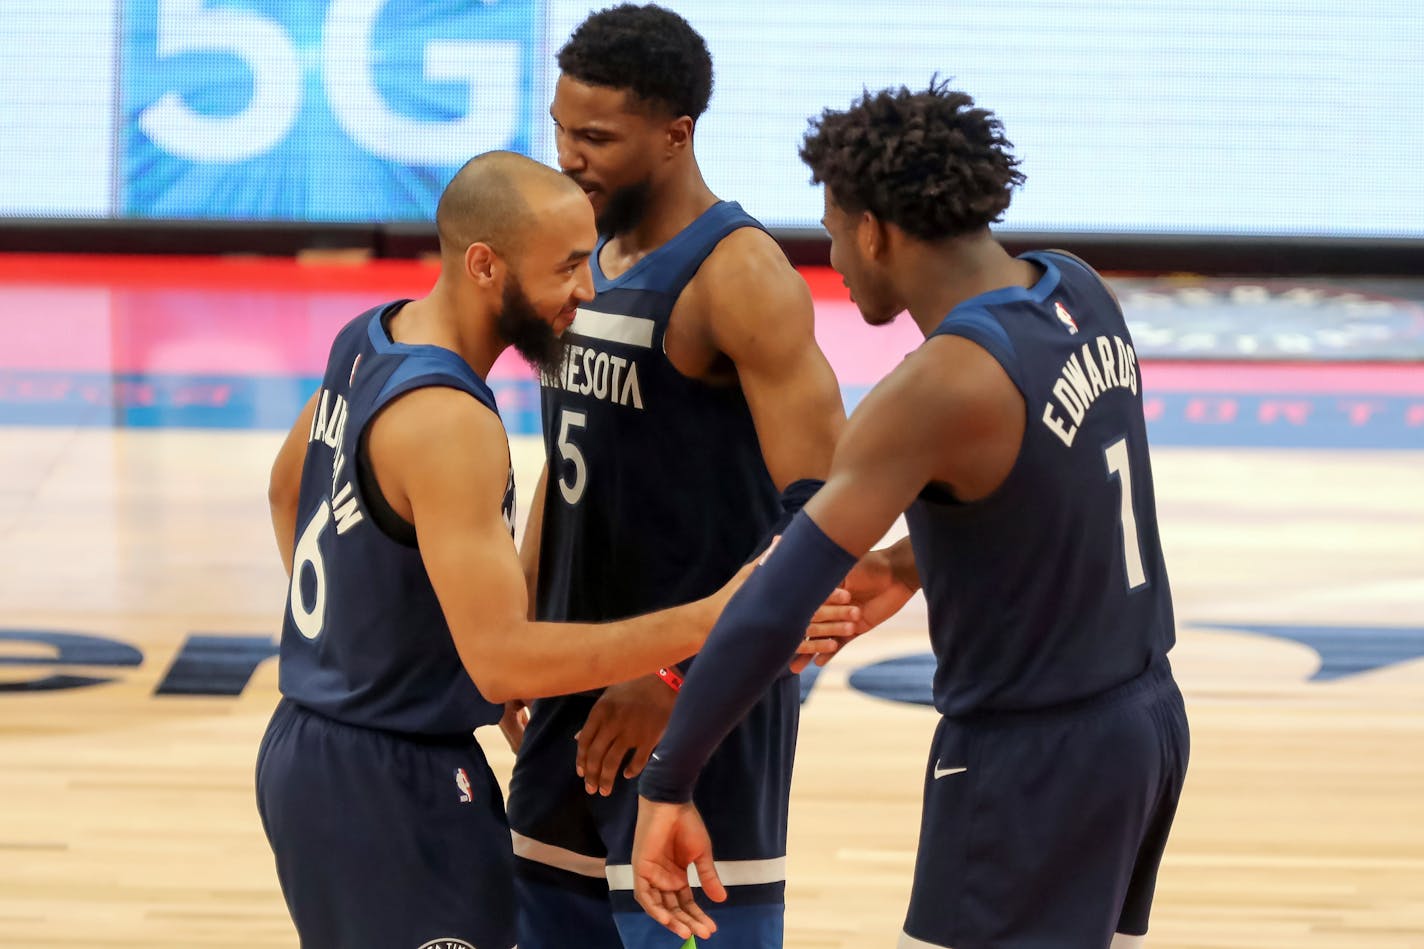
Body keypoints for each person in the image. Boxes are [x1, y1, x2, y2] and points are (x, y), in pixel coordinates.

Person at [632, 81, 1192, 949]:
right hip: (1144, 724)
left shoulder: (939, 383)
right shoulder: (1076, 291)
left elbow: (779, 599)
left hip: (1031, 760)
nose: (833, 259)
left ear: (874, 229)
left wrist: (669, 779)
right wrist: (908, 563)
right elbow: (1051, 482)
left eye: (829, 231)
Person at [254, 151, 838, 949]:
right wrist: (707, 619)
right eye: (568, 266)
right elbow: (503, 664)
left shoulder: (370, 337)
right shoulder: (451, 418)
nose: (588, 289)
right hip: (393, 780)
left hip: (311, 748)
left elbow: (289, 487)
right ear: (486, 265)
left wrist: (374, 644)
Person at [506, 5, 847, 948]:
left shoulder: (739, 276)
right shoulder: (577, 264)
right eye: (562, 131)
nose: (569, 157)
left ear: (675, 134)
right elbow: (568, 469)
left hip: (698, 718)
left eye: (597, 139)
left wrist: (677, 677)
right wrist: (518, 632)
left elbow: (827, 521)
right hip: (572, 699)